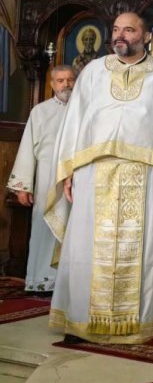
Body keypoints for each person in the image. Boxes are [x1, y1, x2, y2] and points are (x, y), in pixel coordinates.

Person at [44, 12, 153, 344]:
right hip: (93, 173)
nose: (120, 35)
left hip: (146, 175)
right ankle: (83, 320)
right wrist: (68, 170)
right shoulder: (93, 72)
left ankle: (138, 323)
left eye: (129, 30)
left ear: (146, 37)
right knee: (87, 246)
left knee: (143, 250)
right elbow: (75, 122)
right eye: (116, 30)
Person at [7, 65, 76, 292]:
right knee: (44, 227)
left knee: (75, 229)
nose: (66, 85)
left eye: (70, 80)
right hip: (47, 177)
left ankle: (69, 284)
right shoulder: (40, 111)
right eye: (60, 80)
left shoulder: (85, 110)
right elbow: (27, 149)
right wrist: (23, 186)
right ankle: (41, 281)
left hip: (78, 177)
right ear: (52, 84)